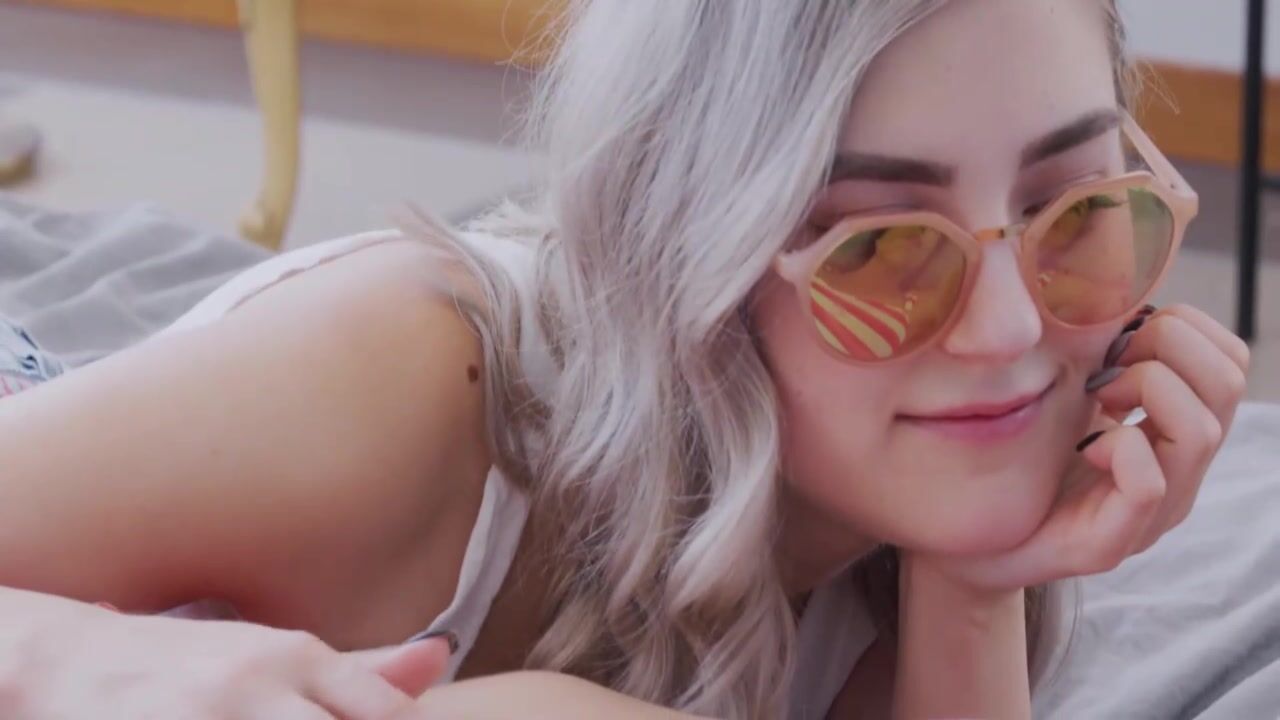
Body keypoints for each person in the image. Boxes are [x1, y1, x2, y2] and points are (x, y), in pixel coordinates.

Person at [0, 1, 1250, 717]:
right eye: (878, 249)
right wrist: (74, 655)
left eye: (1073, 209)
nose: (1010, 329)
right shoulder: (403, 378)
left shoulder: (898, 542)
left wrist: (976, 583)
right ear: (687, 253)